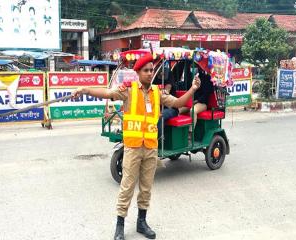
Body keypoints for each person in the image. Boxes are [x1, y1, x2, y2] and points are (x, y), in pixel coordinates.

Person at [72, 53, 200, 240]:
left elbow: (179, 103)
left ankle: (142, 222)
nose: (149, 73)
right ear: (138, 73)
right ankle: (120, 226)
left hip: (150, 148)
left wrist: (193, 89)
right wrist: (85, 90)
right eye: (146, 70)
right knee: (127, 187)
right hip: (132, 148)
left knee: (146, 188)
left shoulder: (158, 92)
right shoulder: (128, 91)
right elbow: (107, 93)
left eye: (151, 70)